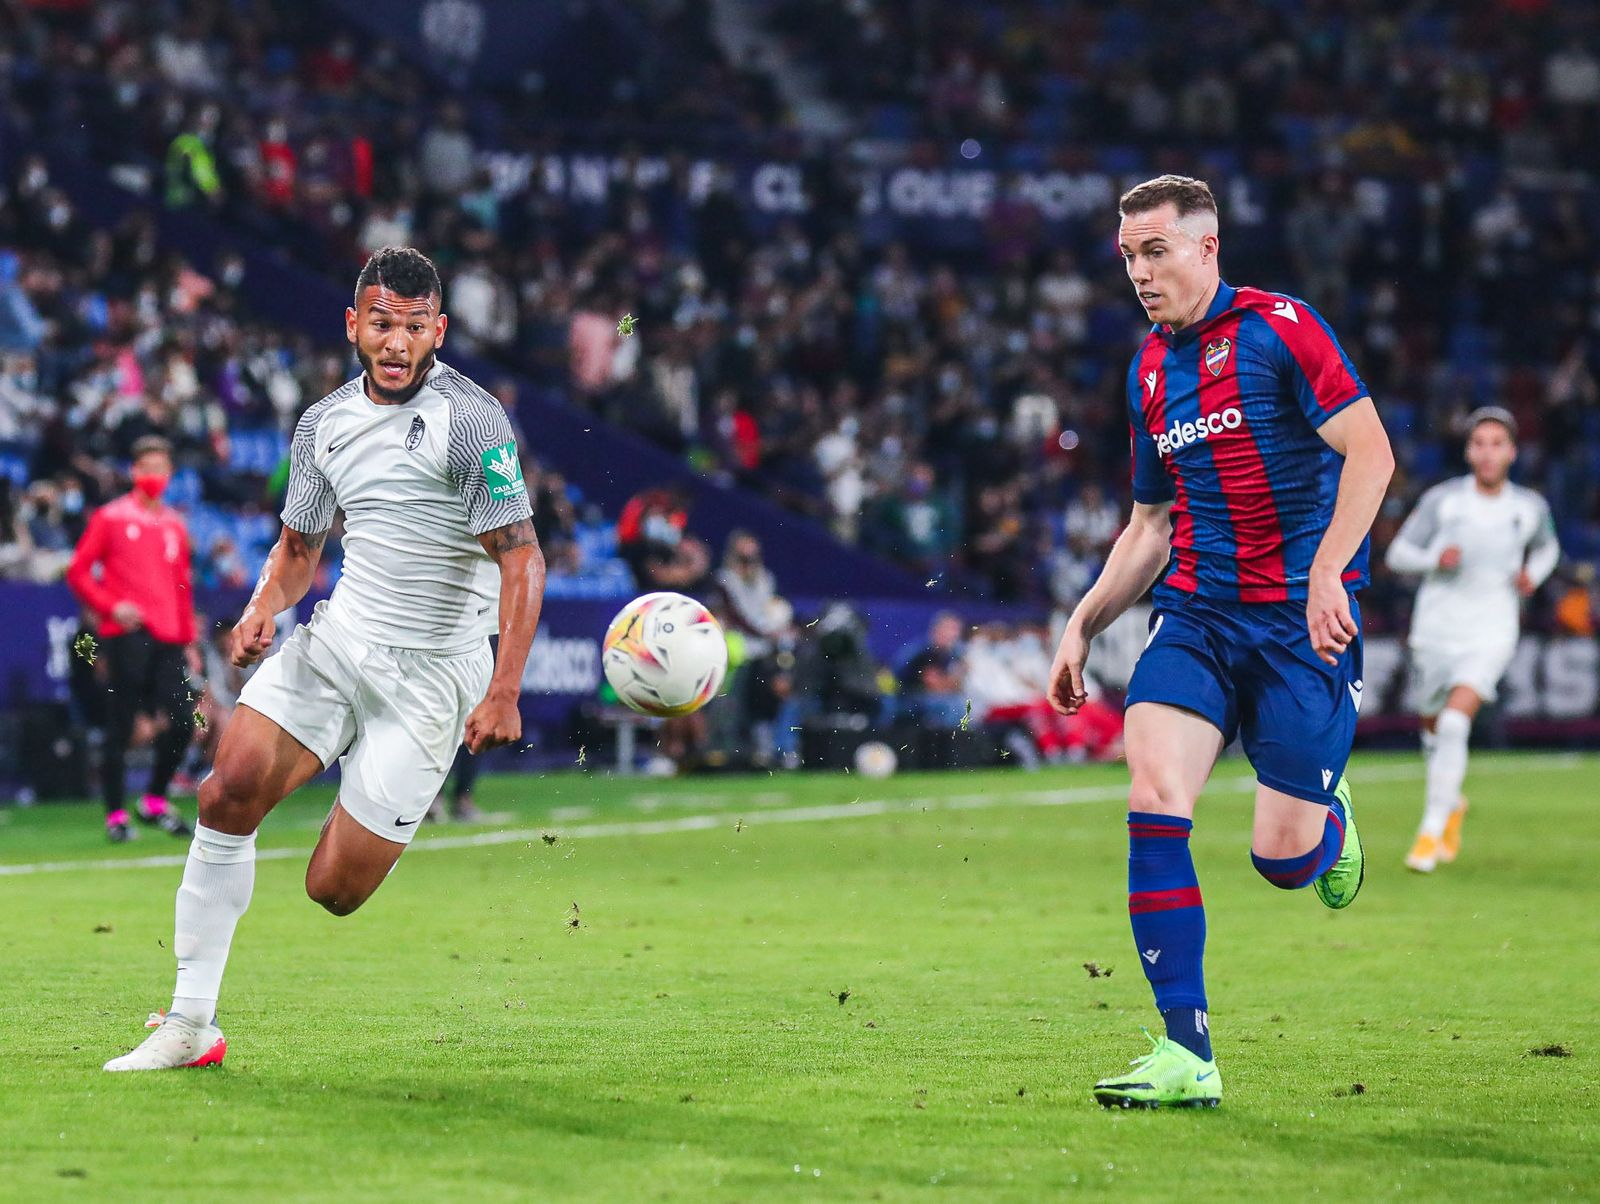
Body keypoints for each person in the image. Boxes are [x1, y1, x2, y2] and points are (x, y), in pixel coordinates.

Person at [104, 247, 545, 1071]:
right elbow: (300, 547)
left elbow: (522, 559)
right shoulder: (323, 424)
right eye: (381, 323)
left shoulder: (473, 421)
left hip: (434, 673)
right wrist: (263, 606)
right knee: (226, 790)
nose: (397, 341)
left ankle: (371, 788)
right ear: (353, 325)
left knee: (333, 890)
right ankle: (191, 1023)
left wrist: (505, 687)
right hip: (340, 641)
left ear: (438, 331)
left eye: (415, 327)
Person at [1046, 175, 1395, 1109]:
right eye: (1128, 256)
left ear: (1207, 246)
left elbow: (1373, 453)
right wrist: (1083, 623)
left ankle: (1328, 819)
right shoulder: (1147, 373)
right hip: (1198, 615)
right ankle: (1185, 1051)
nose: (1140, 273)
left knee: (1282, 861)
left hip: (1297, 623)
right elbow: (1150, 523)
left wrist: (1328, 571)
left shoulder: (1283, 327)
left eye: (1155, 251)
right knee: (1154, 796)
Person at [1384, 408, 1558, 873]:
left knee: (1457, 726)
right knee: (1433, 729)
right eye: (1479, 442)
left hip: (1493, 628)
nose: (1487, 452)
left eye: (1497, 443)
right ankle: (1450, 803)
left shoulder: (1529, 508)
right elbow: (1399, 553)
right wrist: (1434, 560)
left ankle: (1430, 831)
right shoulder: (1444, 501)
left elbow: (1547, 547)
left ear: (1512, 452)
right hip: (1437, 628)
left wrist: (1533, 575)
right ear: (1468, 451)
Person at [65, 436, 197, 842]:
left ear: (170, 474)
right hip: (127, 635)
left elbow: (181, 587)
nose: (154, 476)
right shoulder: (111, 518)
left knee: (182, 720)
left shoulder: (175, 524)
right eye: (147, 468)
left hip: (170, 639)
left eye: (161, 469)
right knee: (120, 725)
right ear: (134, 472)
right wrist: (110, 606)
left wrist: (190, 640)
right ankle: (116, 814)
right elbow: (78, 571)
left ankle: (154, 799)